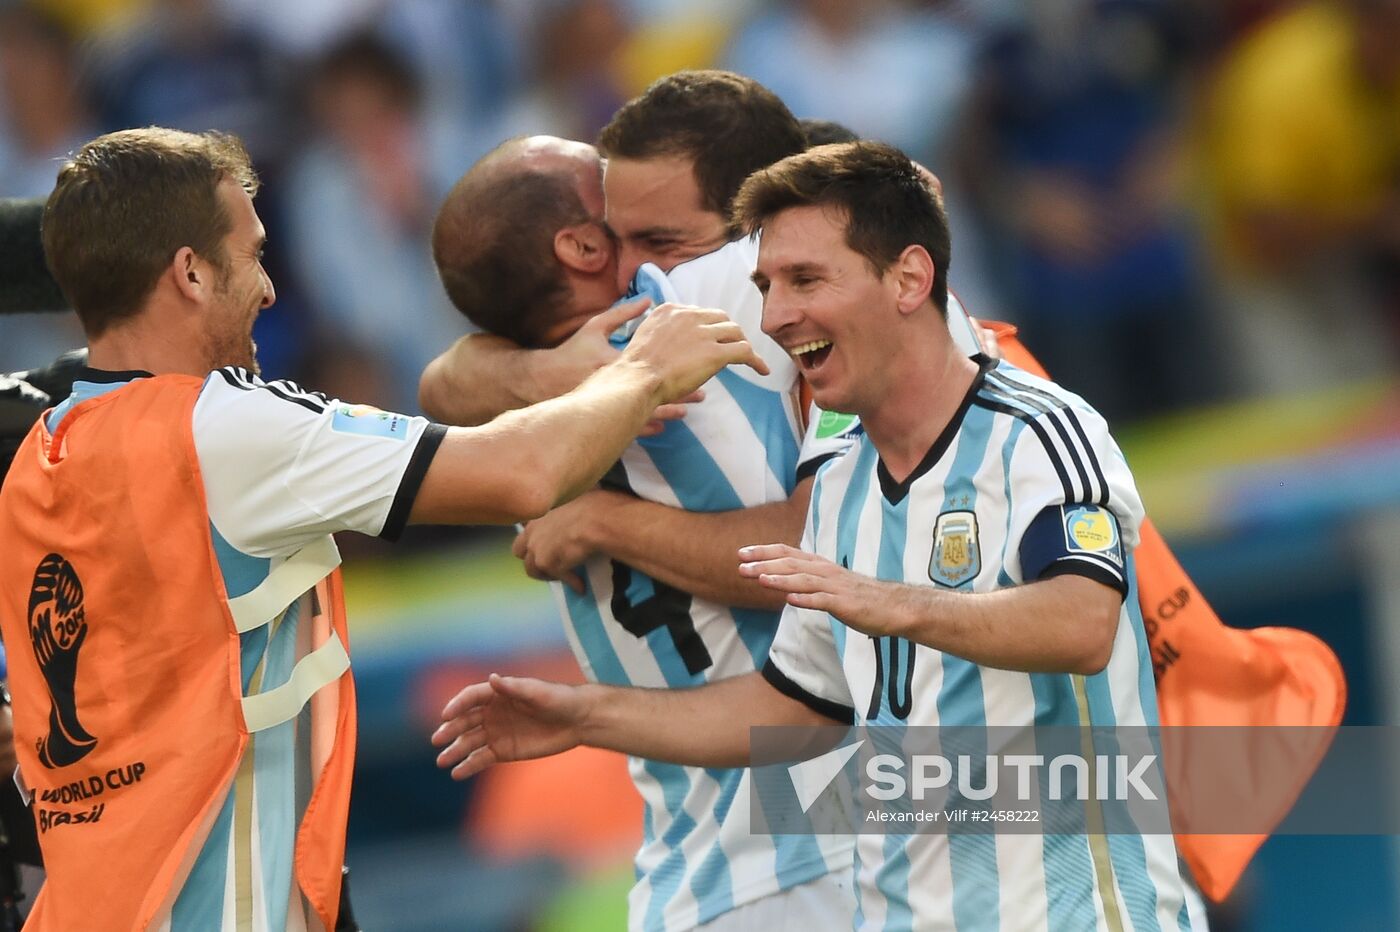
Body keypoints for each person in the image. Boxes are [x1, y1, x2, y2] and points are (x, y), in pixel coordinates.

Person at [0, 126, 765, 932]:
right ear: (189, 271)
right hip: (224, 913)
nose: (267, 289)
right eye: (254, 255)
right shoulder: (224, 428)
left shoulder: (36, 458)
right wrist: (643, 371)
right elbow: (513, 460)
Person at [434, 140, 1198, 931]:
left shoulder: (1042, 430)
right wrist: (585, 717)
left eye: (803, 281)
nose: (772, 316)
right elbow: (793, 708)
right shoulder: (835, 476)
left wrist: (890, 602)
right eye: (766, 286)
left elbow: (1082, 623)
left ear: (909, 277)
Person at [425, 75, 873, 932]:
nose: (644, 247)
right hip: (822, 848)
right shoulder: (703, 299)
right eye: (617, 220)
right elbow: (815, 557)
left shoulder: (511, 422)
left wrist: (541, 389)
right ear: (582, 249)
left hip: (688, 871)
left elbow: (439, 381)